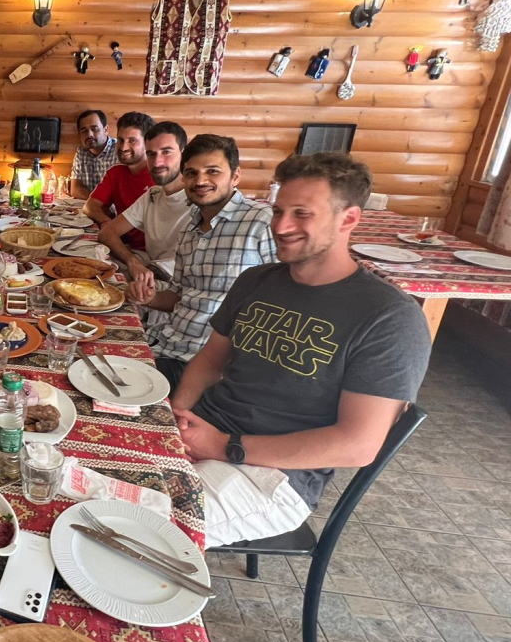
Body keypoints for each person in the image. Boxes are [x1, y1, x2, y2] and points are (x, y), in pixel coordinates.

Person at [171, 152, 431, 546]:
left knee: (137, 523)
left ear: (349, 219)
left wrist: (226, 447)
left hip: (273, 476)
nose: (281, 226)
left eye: (302, 214)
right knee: (83, 478)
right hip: (205, 432)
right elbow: (210, 361)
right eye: (278, 211)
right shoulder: (257, 281)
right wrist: (180, 417)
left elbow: (358, 445)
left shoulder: (390, 317)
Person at [128, 135, 276, 393]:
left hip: (208, 366)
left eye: (213, 171)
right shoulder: (189, 230)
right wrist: (149, 298)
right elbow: (178, 296)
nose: (200, 181)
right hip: (166, 345)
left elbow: (285, 302)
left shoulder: (262, 221)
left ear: (236, 175)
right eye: (191, 173)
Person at [98, 121, 189, 293]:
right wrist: (133, 262)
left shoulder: (199, 201)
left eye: (166, 152)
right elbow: (107, 233)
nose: (157, 162)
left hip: (176, 289)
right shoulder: (153, 195)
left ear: (184, 155)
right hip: (150, 277)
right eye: (151, 154)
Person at [84, 111, 154, 249]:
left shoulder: (158, 177)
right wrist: (106, 221)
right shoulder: (115, 173)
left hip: (151, 253)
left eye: (132, 141)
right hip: (123, 245)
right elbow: (90, 206)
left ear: (148, 144)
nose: (123, 147)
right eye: (121, 140)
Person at [69, 109, 115, 198]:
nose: (89, 134)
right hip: (90, 204)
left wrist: (98, 201)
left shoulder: (119, 150)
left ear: (106, 130)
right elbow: (75, 190)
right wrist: (97, 201)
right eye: (84, 131)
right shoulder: (81, 152)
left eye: (94, 129)